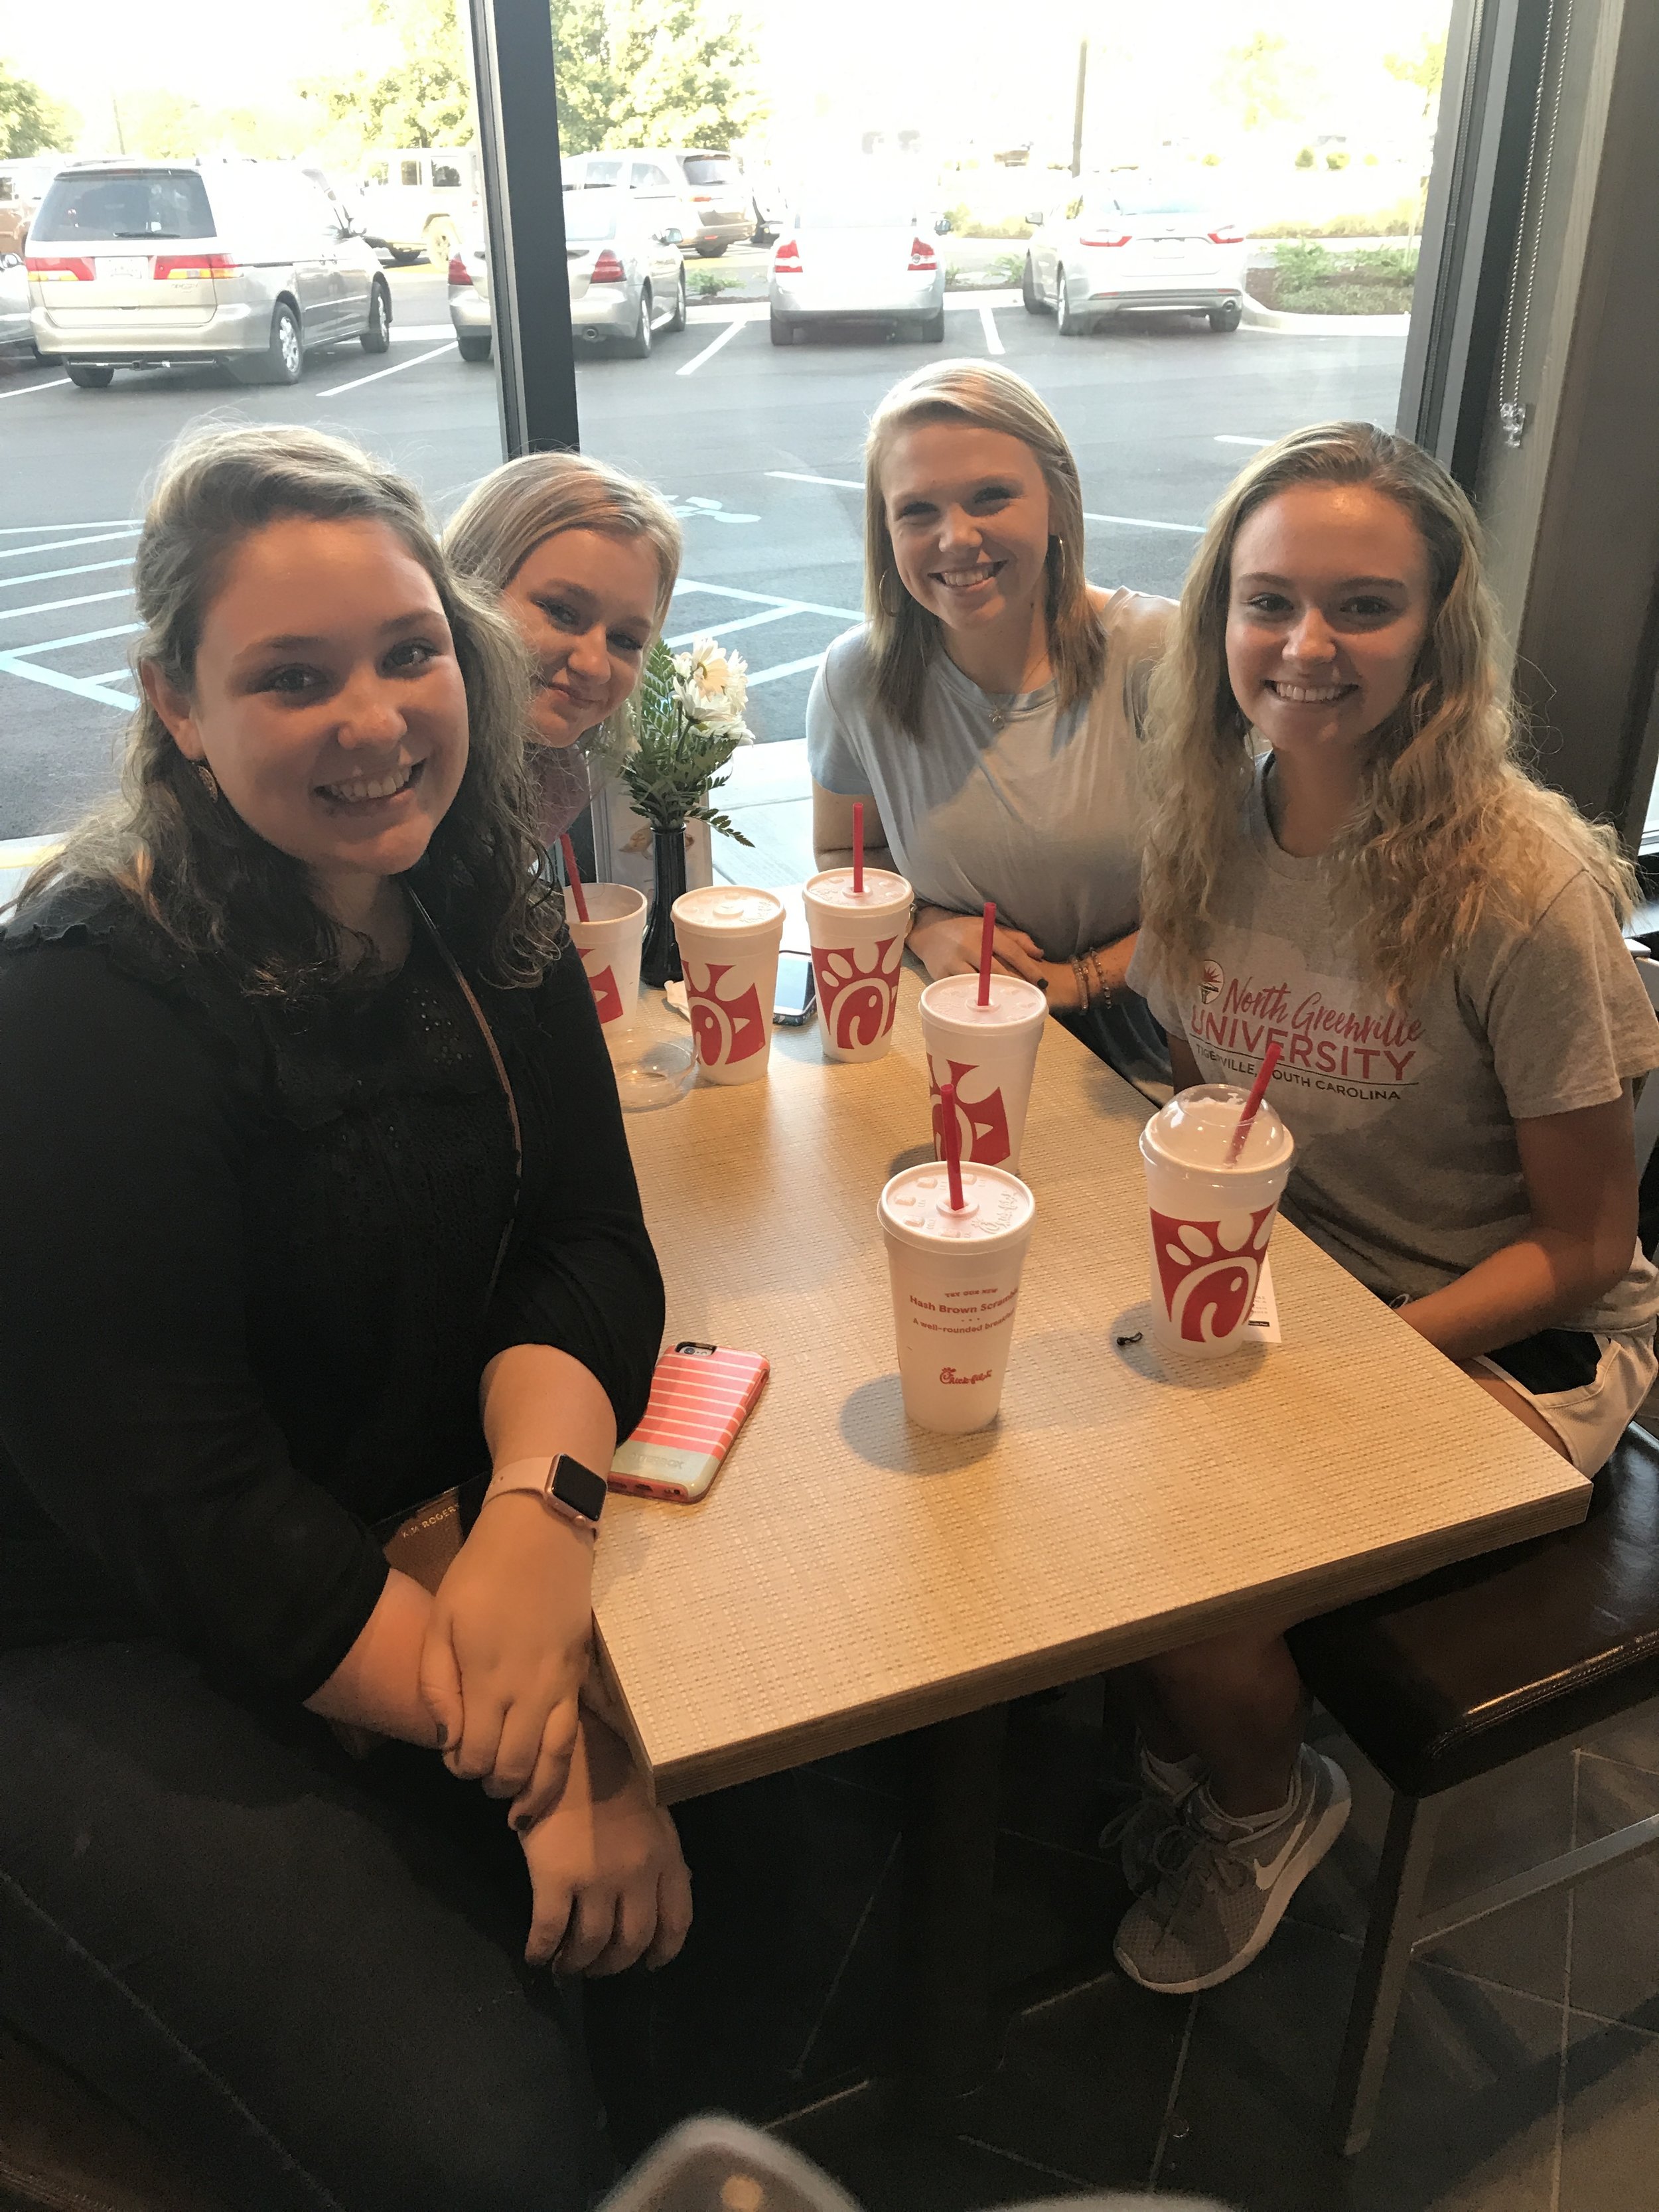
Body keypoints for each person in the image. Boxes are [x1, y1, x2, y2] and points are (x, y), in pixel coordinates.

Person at [0, 424, 689, 2211]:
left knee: (700, 1919)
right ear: (174, 701)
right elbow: (191, 1509)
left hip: (382, 1540)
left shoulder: (479, 904)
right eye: (289, 678)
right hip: (83, 1625)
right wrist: (540, 1743)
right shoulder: (82, 1008)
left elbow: (585, 1241)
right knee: (485, 2140)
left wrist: (542, 1506)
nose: (375, 719)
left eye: (403, 653)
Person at [1108, 420, 1659, 1996]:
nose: (1305, 645)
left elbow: (1588, 1248)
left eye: (1363, 605)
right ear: (1219, 618)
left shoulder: (1520, 886)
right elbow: (1212, 1091)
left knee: (1179, 1575)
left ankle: (1264, 1804)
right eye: (1268, 600)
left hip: (1507, 1338)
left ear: (1437, 635)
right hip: (1307, 1288)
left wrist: (1368, 1352)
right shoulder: (1217, 815)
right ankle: (1191, 1739)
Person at [807, 359, 1174, 1088]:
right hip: (942, 1028)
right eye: (917, 511)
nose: (956, 538)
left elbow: (1234, 899)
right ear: (885, 531)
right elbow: (848, 854)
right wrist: (922, 928)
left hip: (1143, 1050)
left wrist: (1078, 981)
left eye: (991, 497)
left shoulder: (1158, 656)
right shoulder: (858, 678)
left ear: (1058, 504)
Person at [445, 451, 682, 851]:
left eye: (625, 640)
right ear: (469, 588)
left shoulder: (551, 779)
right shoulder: (397, 780)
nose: (594, 666)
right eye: (562, 612)